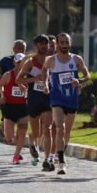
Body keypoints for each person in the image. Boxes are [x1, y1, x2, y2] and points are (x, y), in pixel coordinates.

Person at [42, 32, 91, 174]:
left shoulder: (76, 59)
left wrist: (80, 81)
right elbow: (44, 70)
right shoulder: (52, 60)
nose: (64, 45)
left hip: (72, 99)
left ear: (70, 43)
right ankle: (62, 162)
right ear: (57, 44)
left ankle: (58, 153)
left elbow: (87, 74)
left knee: (67, 132)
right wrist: (45, 84)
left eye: (66, 42)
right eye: (61, 42)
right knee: (60, 128)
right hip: (57, 98)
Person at [16, 34, 55, 171]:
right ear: (36, 46)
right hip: (33, 100)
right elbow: (18, 80)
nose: (44, 45)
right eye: (40, 43)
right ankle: (32, 143)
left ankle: (48, 160)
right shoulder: (31, 62)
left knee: (48, 129)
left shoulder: (52, 60)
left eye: (46, 43)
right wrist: (34, 79)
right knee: (37, 133)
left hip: (47, 99)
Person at [0, 40, 26, 138]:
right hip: (6, 93)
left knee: (21, 120)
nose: (20, 50)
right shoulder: (6, 60)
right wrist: (7, 82)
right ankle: (3, 126)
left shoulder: (28, 61)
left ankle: (17, 137)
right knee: (7, 114)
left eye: (22, 48)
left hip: (22, 93)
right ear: (13, 49)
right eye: (18, 48)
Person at [0, 53, 28, 164]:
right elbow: (0, 85)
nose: (21, 64)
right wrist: (2, 94)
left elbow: (31, 92)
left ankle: (16, 156)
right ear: (14, 62)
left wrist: (24, 88)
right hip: (9, 107)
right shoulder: (8, 75)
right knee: (9, 138)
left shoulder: (28, 76)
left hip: (23, 108)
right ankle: (14, 140)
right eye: (19, 61)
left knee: (22, 131)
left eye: (23, 62)